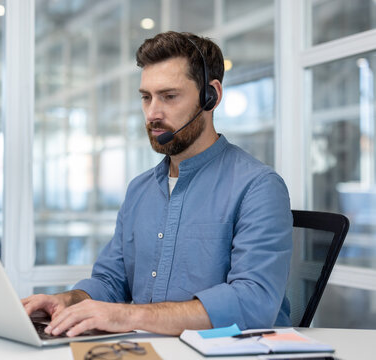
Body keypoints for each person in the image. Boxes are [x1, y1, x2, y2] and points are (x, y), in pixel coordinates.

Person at [23, 31, 292, 337]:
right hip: (147, 351)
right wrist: (67, 302)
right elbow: (112, 281)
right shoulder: (140, 190)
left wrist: (127, 317)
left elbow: (252, 303)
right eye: (146, 97)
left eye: (169, 96)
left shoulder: (258, 187)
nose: (152, 113)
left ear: (211, 96)